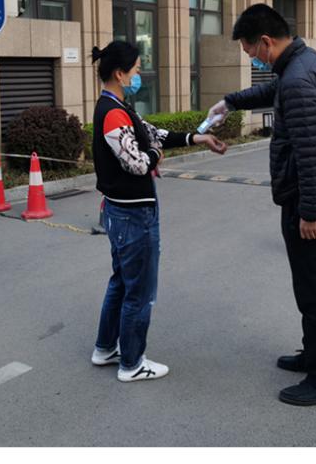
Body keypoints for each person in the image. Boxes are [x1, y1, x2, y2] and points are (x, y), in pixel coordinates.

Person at [207, 4, 316, 406]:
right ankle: (314, 354)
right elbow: (273, 91)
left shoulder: (299, 79)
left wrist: (310, 212)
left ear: (266, 42)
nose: (254, 60)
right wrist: (231, 102)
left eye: (253, 53)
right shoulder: (301, 63)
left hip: (311, 198)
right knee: (309, 286)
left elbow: (311, 153)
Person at [91, 41, 227, 382]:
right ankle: (132, 364)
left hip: (123, 212)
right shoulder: (112, 113)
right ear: (120, 74)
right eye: (136, 70)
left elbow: (154, 134)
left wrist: (199, 138)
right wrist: (153, 154)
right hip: (132, 215)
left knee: (122, 283)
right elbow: (137, 163)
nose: (139, 75)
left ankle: (106, 348)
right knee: (139, 291)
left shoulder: (119, 107)